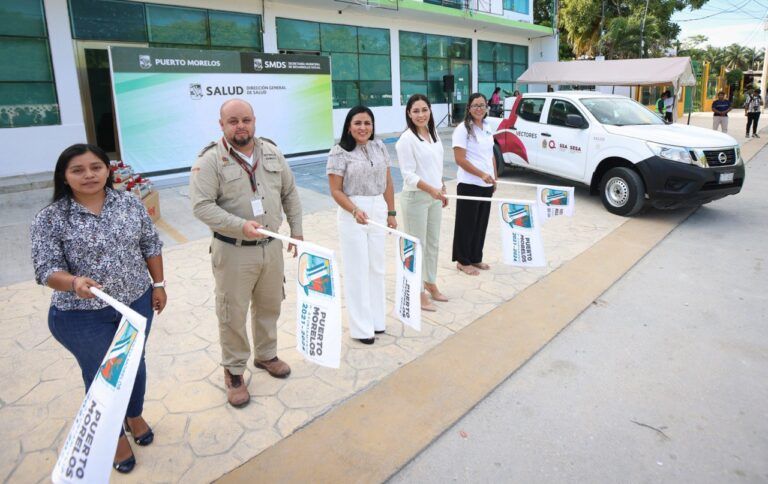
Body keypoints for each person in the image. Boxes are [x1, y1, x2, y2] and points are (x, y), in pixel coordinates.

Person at [30, 143, 166, 474]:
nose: (89, 175)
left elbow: (150, 243)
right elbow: (46, 270)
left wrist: (158, 285)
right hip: (80, 317)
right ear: (64, 176)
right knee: (105, 376)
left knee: (134, 364)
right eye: (77, 169)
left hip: (135, 303)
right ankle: (114, 434)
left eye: (96, 167)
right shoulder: (51, 218)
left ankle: (134, 415)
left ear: (108, 170)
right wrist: (74, 282)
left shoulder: (129, 204)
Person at [189, 99, 303, 408]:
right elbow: (201, 206)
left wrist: (297, 229)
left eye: (246, 120)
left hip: (271, 246)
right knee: (233, 313)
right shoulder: (210, 160)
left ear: (254, 121)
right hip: (234, 251)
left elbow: (289, 191)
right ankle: (234, 371)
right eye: (234, 121)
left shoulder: (271, 152)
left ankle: (266, 355)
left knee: (269, 304)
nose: (241, 126)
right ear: (222, 125)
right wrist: (240, 226)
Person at [327, 106, 397, 344]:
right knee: (357, 269)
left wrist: (391, 211)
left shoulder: (379, 147)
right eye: (358, 123)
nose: (363, 128)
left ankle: (377, 321)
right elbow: (335, 190)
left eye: (367, 123)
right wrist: (355, 210)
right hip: (352, 210)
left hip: (378, 206)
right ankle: (361, 327)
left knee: (376, 267)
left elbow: (387, 181)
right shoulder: (339, 152)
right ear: (349, 126)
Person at [396, 94, 449, 312]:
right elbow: (408, 175)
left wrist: (442, 186)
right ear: (409, 113)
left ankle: (430, 281)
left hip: (434, 197)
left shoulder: (433, 133)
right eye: (416, 111)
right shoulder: (405, 140)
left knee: (433, 243)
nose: (421, 114)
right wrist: (432, 189)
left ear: (430, 111)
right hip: (416, 198)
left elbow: (436, 165)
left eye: (424, 109)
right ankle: (417, 292)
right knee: (417, 247)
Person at [452, 93, 496, 276]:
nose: (479, 108)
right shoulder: (463, 129)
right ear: (469, 108)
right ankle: (463, 260)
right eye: (475, 105)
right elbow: (460, 159)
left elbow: (490, 154)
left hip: (486, 183)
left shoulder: (487, 126)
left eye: (482, 105)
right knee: (466, 224)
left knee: (480, 223)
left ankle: (476, 257)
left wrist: (494, 177)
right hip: (469, 184)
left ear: (487, 107)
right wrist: (481, 174)